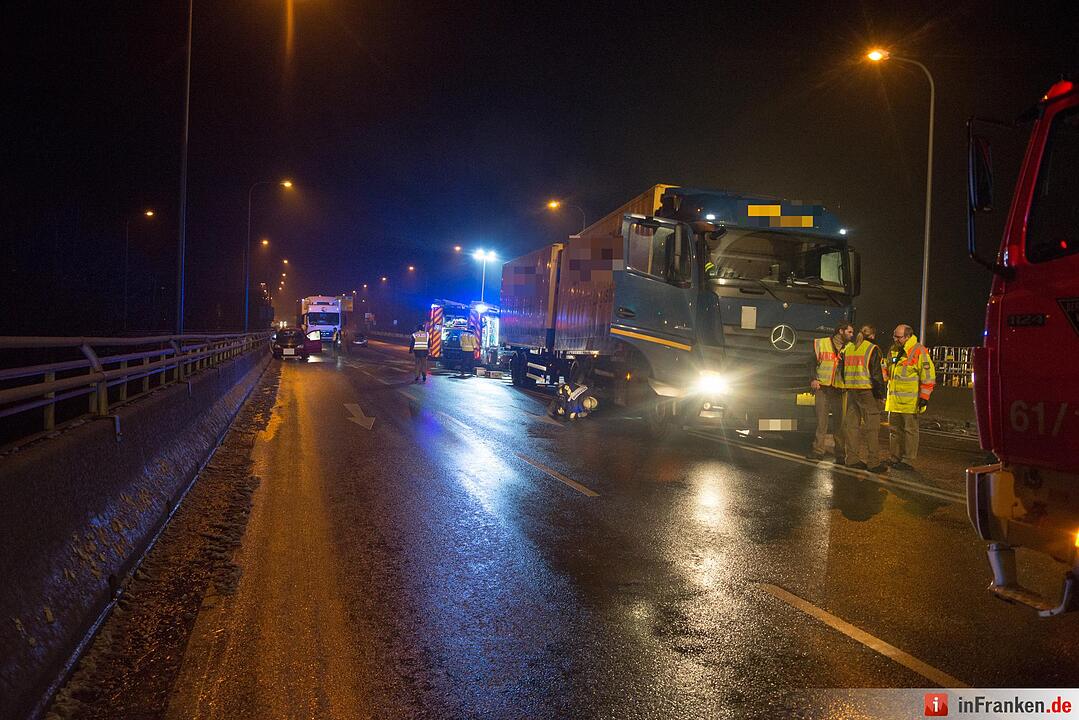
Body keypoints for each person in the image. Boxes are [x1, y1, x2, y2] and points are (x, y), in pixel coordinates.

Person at [885, 324, 936, 470]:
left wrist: (924, 397)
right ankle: (895, 457)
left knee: (910, 431)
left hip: (910, 401)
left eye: (898, 337)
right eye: (894, 335)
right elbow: (887, 369)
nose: (895, 339)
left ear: (908, 336)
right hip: (894, 401)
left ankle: (908, 460)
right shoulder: (894, 350)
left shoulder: (919, 351)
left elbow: (928, 376)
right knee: (894, 431)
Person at [840, 325, 888, 472]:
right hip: (867, 392)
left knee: (852, 426)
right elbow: (876, 375)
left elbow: (842, 370)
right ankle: (873, 463)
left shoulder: (849, 348)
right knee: (872, 428)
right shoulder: (872, 349)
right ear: (872, 335)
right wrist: (881, 395)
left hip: (851, 391)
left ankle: (852, 459)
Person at [807, 323, 853, 461]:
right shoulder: (822, 343)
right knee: (822, 422)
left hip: (840, 389)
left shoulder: (851, 348)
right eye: (849, 332)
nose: (852, 335)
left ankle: (840, 454)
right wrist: (813, 379)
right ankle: (818, 451)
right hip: (823, 387)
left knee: (840, 423)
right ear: (841, 331)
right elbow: (810, 363)